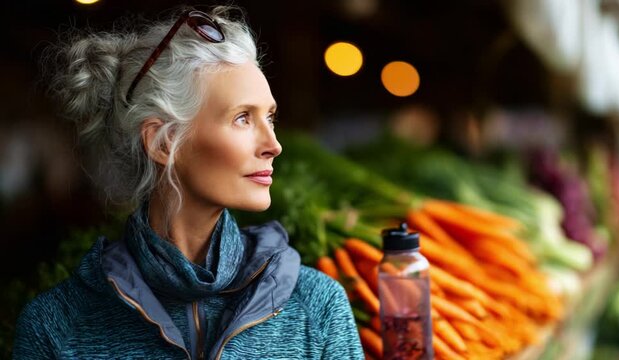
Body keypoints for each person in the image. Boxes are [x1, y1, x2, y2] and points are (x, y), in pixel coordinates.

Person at [13, 6, 363, 359]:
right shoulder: (55, 327)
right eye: (242, 118)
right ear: (163, 143)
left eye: (269, 117)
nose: (274, 145)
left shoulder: (317, 308)